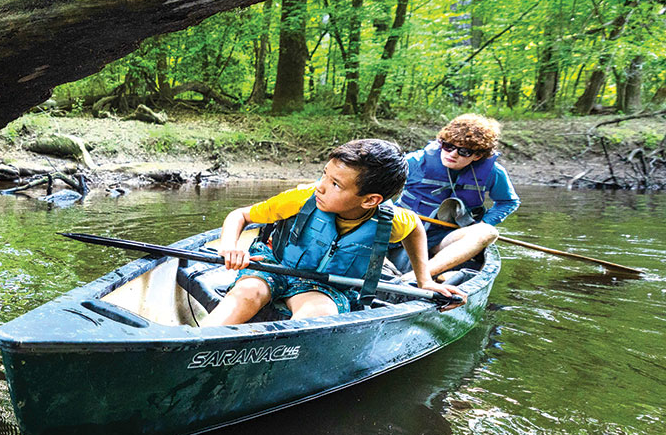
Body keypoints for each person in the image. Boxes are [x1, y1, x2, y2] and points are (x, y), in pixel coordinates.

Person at [200, 139, 463, 326]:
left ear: (371, 200)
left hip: (326, 285)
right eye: (325, 175)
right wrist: (229, 246)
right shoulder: (302, 197)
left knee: (318, 312)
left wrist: (424, 280)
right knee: (248, 292)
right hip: (273, 265)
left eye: (335, 184)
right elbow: (240, 215)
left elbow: (415, 228)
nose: (321, 187)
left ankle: (279, 360)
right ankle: (196, 342)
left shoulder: (390, 221)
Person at [395, 114, 519, 279]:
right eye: (447, 146)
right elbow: (375, 190)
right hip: (405, 232)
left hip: (445, 238)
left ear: (478, 155)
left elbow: (508, 202)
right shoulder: (413, 162)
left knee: (488, 232)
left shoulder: (494, 172)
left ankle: (416, 276)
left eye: (464, 151)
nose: (452, 154)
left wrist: (482, 223)